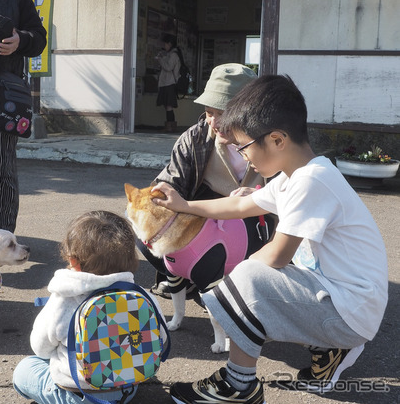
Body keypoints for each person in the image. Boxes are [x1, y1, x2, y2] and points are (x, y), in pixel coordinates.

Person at [153, 74, 388, 403]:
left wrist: (232, 289)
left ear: (277, 140)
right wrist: (185, 205)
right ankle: (327, 346)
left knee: (247, 278)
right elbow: (238, 204)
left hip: (350, 309)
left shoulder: (312, 181)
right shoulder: (296, 176)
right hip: (344, 298)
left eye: (244, 146)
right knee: (246, 282)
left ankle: (238, 385)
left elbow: (277, 255)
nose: (242, 154)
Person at [13, 210, 168, 404]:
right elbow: (159, 339)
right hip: (126, 391)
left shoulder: (64, 300)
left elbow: (40, 348)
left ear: (73, 261)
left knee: (24, 369)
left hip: (77, 395)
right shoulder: (142, 296)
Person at [148, 63, 274, 297]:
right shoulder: (195, 138)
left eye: (222, 113)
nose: (214, 123)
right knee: (143, 232)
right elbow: (172, 182)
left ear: (248, 111)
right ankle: (190, 279)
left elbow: (294, 199)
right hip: (204, 216)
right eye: (209, 113)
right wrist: (154, 202)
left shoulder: (272, 141)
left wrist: (259, 197)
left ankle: (227, 288)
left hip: (256, 222)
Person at [0, 0, 46, 232]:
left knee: (2, 168)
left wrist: (19, 40)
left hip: (4, 97)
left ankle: (2, 239)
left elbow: (39, 38)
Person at [156, 33, 181, 132]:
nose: (164, 46)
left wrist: (160, 60)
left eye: (165, 44)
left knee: (169, 105)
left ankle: (170, 126)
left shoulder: (174, 55)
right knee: (167, 105)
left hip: (169, 83)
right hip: (167, 83)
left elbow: (168, 67)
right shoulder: (171, 54)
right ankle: (170, 125)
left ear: (170, 44)